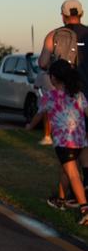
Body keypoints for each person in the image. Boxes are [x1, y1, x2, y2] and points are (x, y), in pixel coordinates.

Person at [38, 0, 88, 206]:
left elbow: (42, 62)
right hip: (85, 94)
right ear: (82, 13)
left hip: (66, 96)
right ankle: (82, 188)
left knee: (68, 149)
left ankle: (67, 196)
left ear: (63, 15)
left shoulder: (54, 34)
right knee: (84, 143)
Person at [26, 60, 88, 225]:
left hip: (64, 142)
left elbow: (39, 115)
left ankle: (85, 209)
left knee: (73, 174)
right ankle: (60, 201)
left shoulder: (50, 96)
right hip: (79, 140)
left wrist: (30, 126)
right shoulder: (78, 94)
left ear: (53, 78)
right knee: (65, 170)